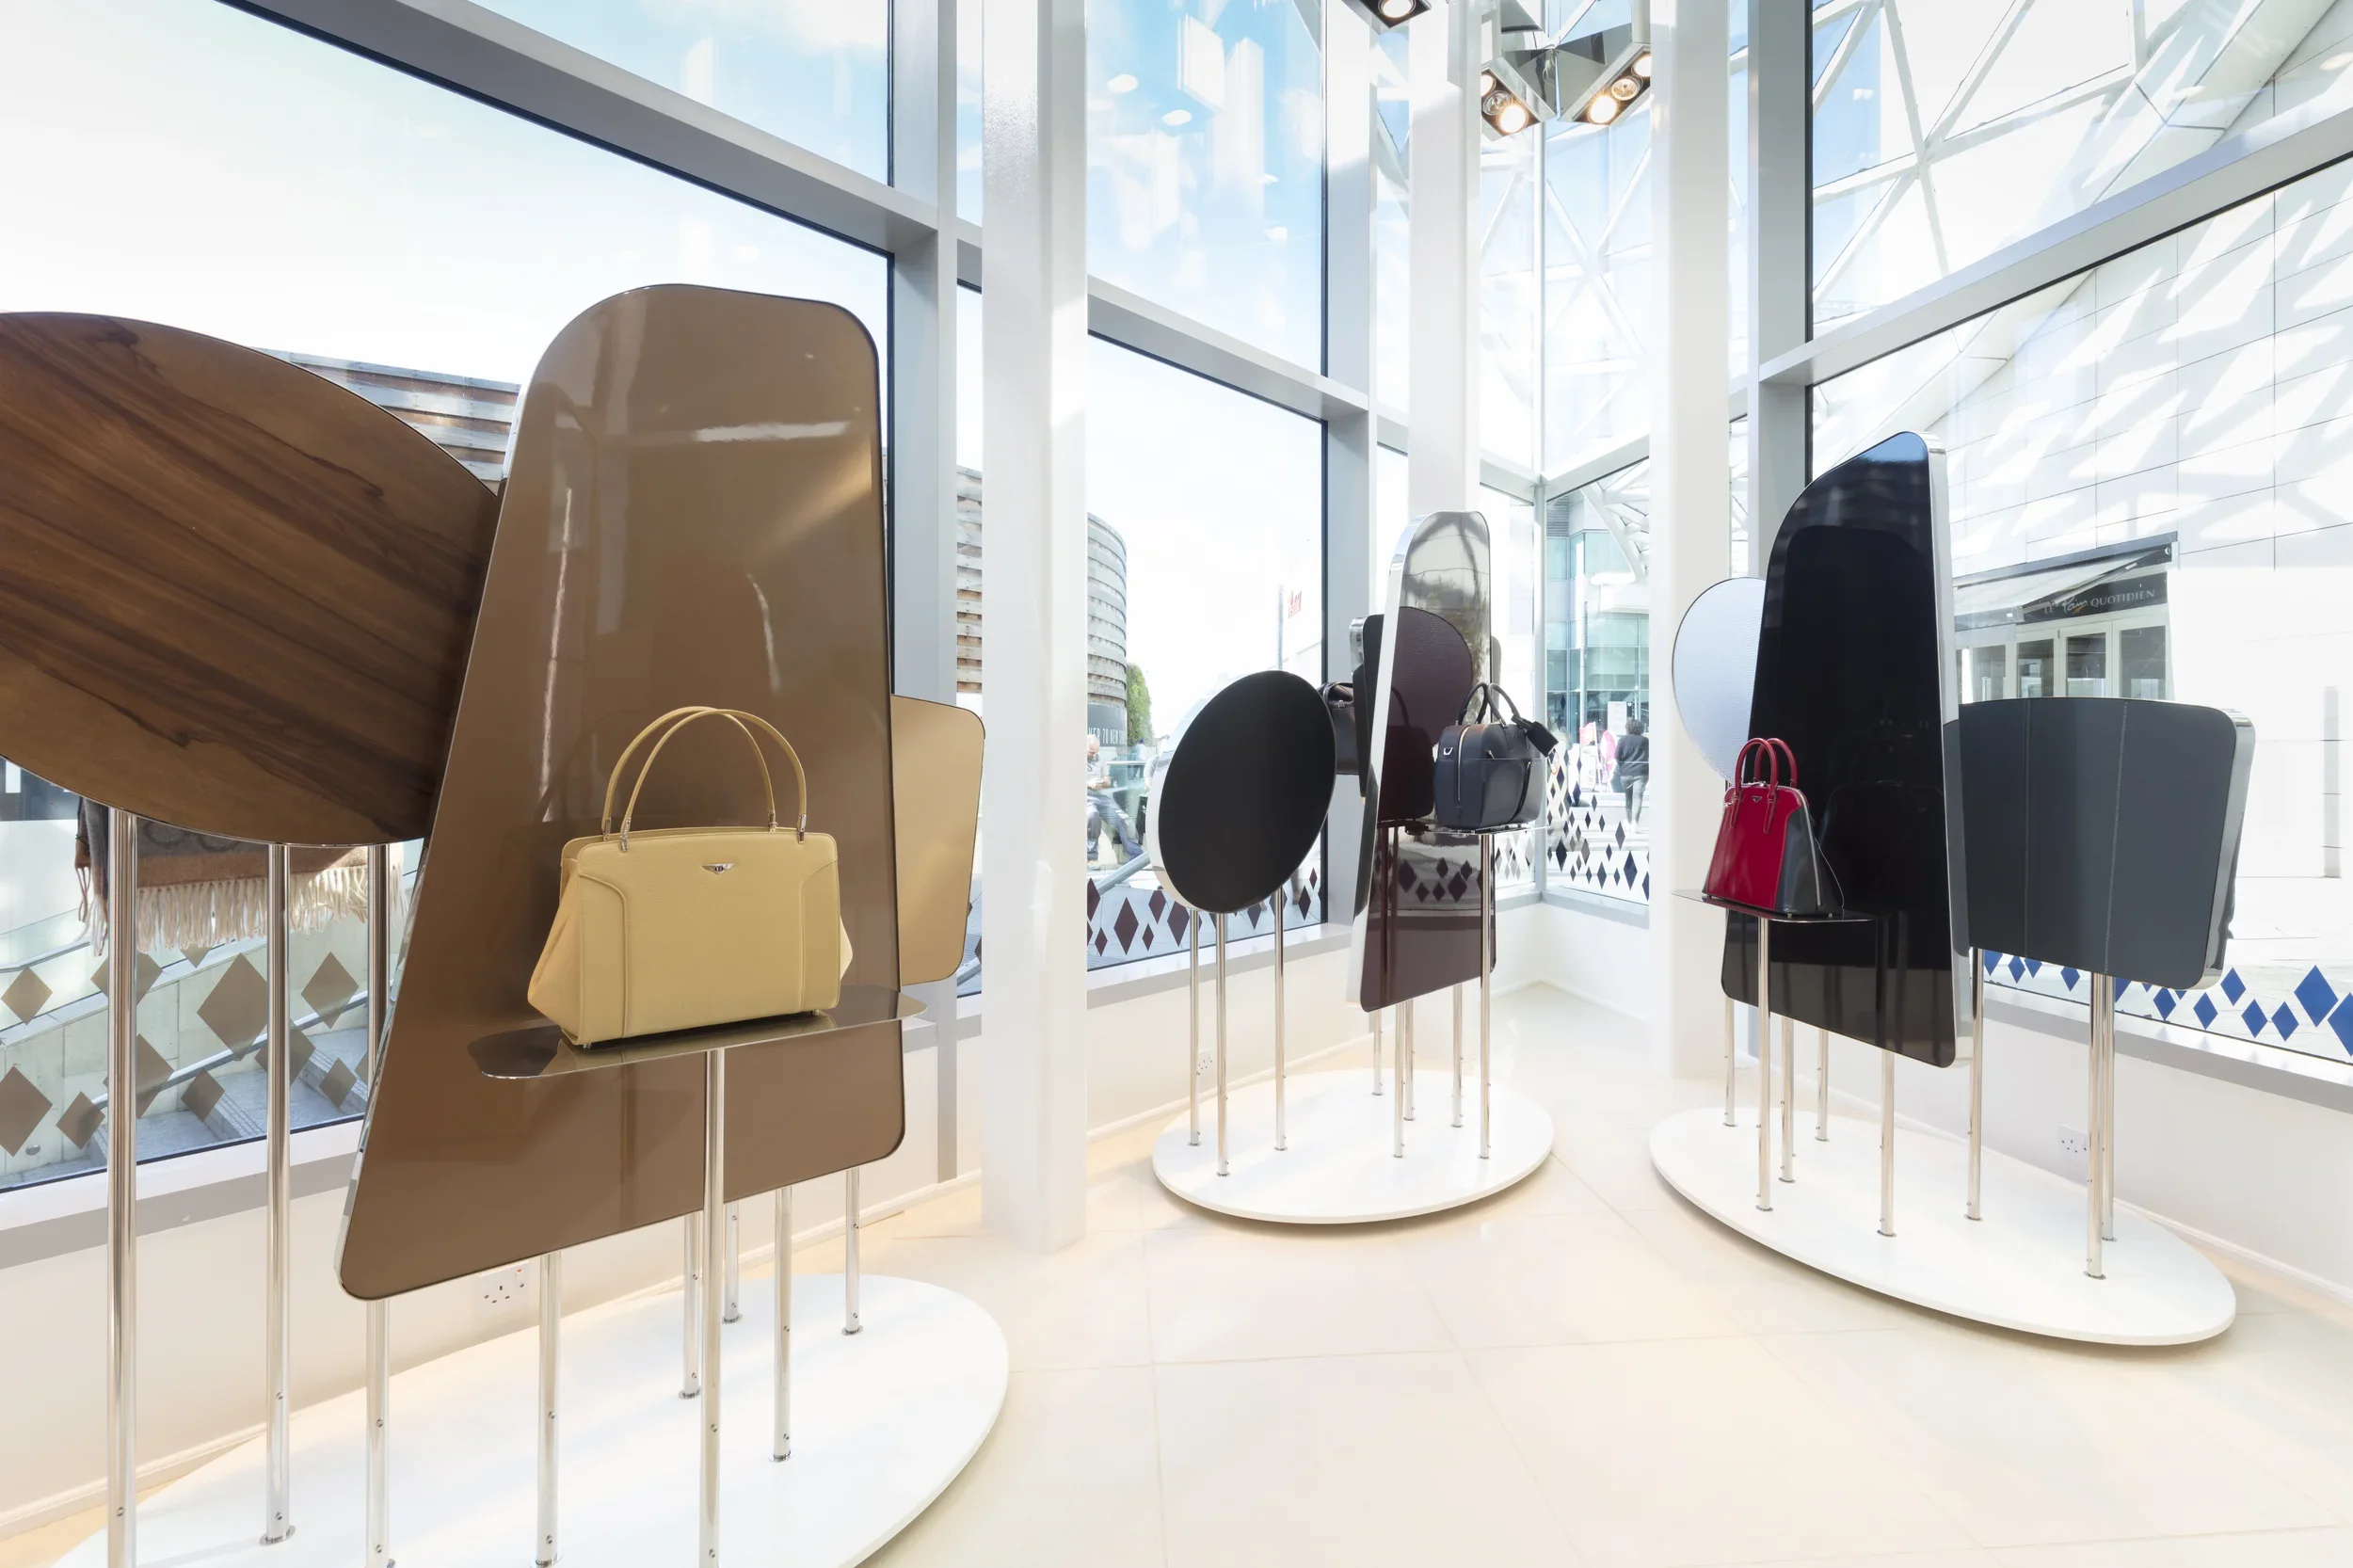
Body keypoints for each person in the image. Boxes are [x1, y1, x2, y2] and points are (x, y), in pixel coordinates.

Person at [1614, 717, 1650, 824]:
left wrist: (1622, 764)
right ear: (1641, 728)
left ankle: (1629, 821)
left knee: (1628, 798)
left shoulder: (1622, 740)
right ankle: (1635, 822)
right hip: (1641, 772)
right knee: (1638, 797)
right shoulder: (1645, 741)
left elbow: (1616, 756)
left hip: (1626, 772)